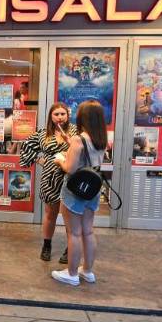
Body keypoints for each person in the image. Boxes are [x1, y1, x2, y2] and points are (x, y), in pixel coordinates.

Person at [52, 100, 108, 286]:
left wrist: (60, 160)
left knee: (74, 233)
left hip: (75, 190)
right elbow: (89, 156)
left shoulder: (79, 139)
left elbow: (70, 168)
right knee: (88, 231)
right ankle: (88, 271)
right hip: (92, 189)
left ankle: (72, 274)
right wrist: (70, 143)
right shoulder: (101, 138)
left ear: (83, 117)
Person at [20, 102, 77, 263]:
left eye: (62, 114)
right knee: (50, 213)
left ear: (67, 115)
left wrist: (69, 146)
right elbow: (26, 146)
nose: (60, 117)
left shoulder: (75, 131)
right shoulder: (43, 133)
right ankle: (46, 245)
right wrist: (39, 160)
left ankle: (70, 248)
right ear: (51, 117)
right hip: (50, 177)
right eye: (56, 114)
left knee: (70, 216)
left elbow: (82, 151)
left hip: (69, 177)